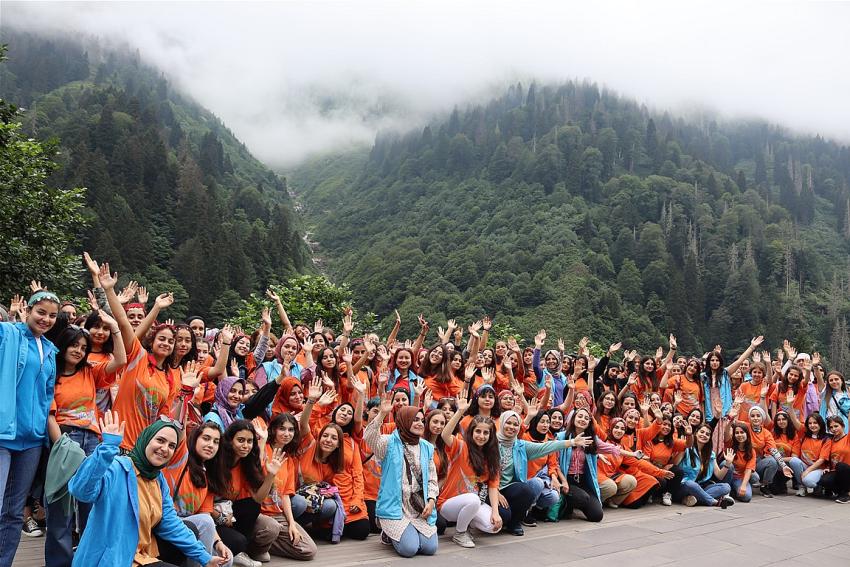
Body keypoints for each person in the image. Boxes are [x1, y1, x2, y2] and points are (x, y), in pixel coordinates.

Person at [68, 411, 230, 566]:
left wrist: (205, 557)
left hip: (142, 555)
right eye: (160, 440)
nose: (165, 448)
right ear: (146, 439)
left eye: (172, 445)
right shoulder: (117, 467)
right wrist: (107, 448)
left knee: (190, 530)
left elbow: (171, 523)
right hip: (112, 560)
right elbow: (81, 491)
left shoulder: (158, 480)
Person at [45, 311, 127, 567]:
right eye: (74, 345)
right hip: (64, 437)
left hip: (92, 439)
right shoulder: (51, 372)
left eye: (83, 347)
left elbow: (121, 359)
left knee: (90, 504)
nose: (79, 351)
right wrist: (62, 447)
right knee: (61, 505)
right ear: (63, 345)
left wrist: (114, 326)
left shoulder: (90, 372)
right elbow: (49, 413)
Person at [0, 290, 59, 567]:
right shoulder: (8, 334)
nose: (45, 319)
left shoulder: (49, 349)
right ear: (28, 310)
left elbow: (47, 393)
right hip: (3, 434)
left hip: (32, 440)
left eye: (52, 315)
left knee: (13, 512)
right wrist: (11, 317)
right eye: (41, 312)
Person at [364, 396, 438, 558]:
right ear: (404, 421)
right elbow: (369, 437)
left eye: (422, 420)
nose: (420, 423)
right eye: (414, 419)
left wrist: (431, 501)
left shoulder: (426, 447)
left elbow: (432, 478)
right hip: (395, 507)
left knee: (429, 548)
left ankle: (408, 533)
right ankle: (389, 534)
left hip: (418, 506)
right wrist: (382, 414)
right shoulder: (388, 443)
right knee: (409, 549)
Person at [438, 391, 502, 548]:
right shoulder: (461, 446)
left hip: (471, 503)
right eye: (478, 431)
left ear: (491, 435)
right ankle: (460, 534)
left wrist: (495, 512)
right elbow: (445, 434)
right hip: (448, 504)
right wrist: (459, 412)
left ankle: (467, 526)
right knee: (473, 499)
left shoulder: (492, 457)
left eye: (486, 432)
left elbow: (493, 487)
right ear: (471, 432)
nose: (481, 436)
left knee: (493, 526)